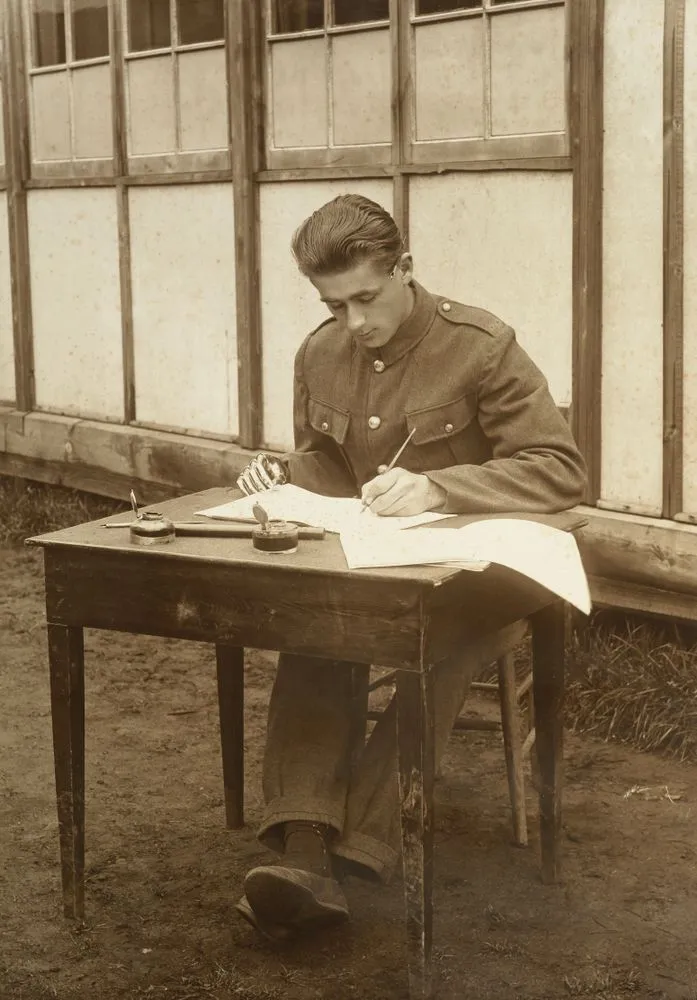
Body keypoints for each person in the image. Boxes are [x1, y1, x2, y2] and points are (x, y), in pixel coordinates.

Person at [234, 194, 587, 942]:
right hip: (378, 559)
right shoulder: (319, 350)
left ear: (404, 268)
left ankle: (362, 843)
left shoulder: (481, 345)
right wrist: (282, 471)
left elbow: (559, 470)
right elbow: (332, 463)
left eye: (366, 297)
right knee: (316, 620)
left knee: (434, 637)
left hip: (482, 565)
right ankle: (303, 847)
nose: (354, 323)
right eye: (334, 304)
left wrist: (441, 485)